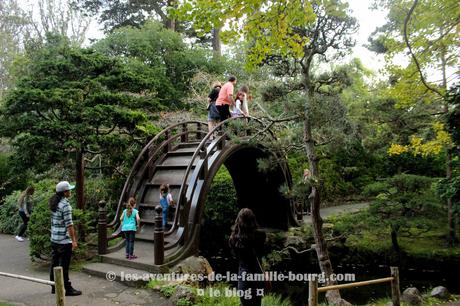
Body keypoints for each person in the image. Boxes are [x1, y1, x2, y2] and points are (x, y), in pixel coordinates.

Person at [49, 181, 81, 296]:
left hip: (54, 239)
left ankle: (54, 287)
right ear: (65, 192)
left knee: (54, 263)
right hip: (63, 241)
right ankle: (67, 289)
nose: (70, 191)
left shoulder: (54, 203)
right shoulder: (65, 205)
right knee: (64, 266)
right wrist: (73, 240)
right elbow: (69, 225)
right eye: (69, 190)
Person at [229, 208, 266, 306]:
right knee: (257, 303)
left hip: (244, 274)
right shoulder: (261, 235)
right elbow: (262, 253)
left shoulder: (233, 239)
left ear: (239, 220)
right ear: (253, 219)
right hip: (258, 274)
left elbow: (235, 256)